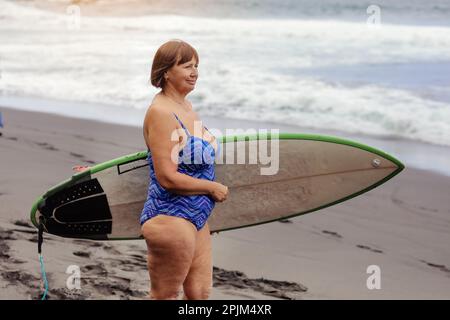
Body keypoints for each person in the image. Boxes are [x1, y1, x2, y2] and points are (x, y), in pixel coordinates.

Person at [140, 39, 228, 300]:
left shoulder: (187, 108)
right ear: (166, 71)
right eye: (187, 66)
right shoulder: (161, 112)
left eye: (197, 66)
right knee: (165, 296)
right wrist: (211, 188)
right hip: (171, 217)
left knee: (199, 296)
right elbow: (167, 177)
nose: (194, 72)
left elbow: (201, 166)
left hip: (197, 217)